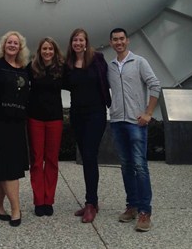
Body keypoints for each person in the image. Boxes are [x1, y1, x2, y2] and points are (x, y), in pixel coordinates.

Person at [108, 28, 161, 232]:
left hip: (135, 122)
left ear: (127, 41)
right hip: (117, 122)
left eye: (122, 39)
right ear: (111, 43)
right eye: (115, 40)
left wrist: (148, 112)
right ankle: (131, 206)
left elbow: (155, 85)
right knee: (126, 166)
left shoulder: (139, 62)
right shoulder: (110, 66)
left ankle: (145, 212)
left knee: (140, 166)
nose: (119, 42)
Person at [63, 28, 111, 223]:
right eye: (75, 40)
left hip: (96, 114)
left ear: (86, 42)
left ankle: (91, 202)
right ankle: (92, 202)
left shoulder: (97, 59)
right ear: (71, 43)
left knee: (90, 156)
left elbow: (108, 80)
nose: (78, 43)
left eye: (81, 40)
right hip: (77, 115)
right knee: (86, 157)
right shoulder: (68, 64)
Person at [0, 31, 30, 227]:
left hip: (17, 123)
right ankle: (15, 209)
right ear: (4, 45)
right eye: (9, 42)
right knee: (8, 168)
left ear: (20, 47)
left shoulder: (24, 69)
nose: (12, 45)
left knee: (3, 167)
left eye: (16, 43)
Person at [27, 37, 64, 217]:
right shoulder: (32, 68)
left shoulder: (61, 70)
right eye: (44, 49)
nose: (47, 52)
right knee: (36, 160)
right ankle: (38, 200)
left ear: (55, 51)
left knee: (51, 160)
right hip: (35, 119)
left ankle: (48, 200)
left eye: (50, 49)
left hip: (55, 119)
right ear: (39, 51)